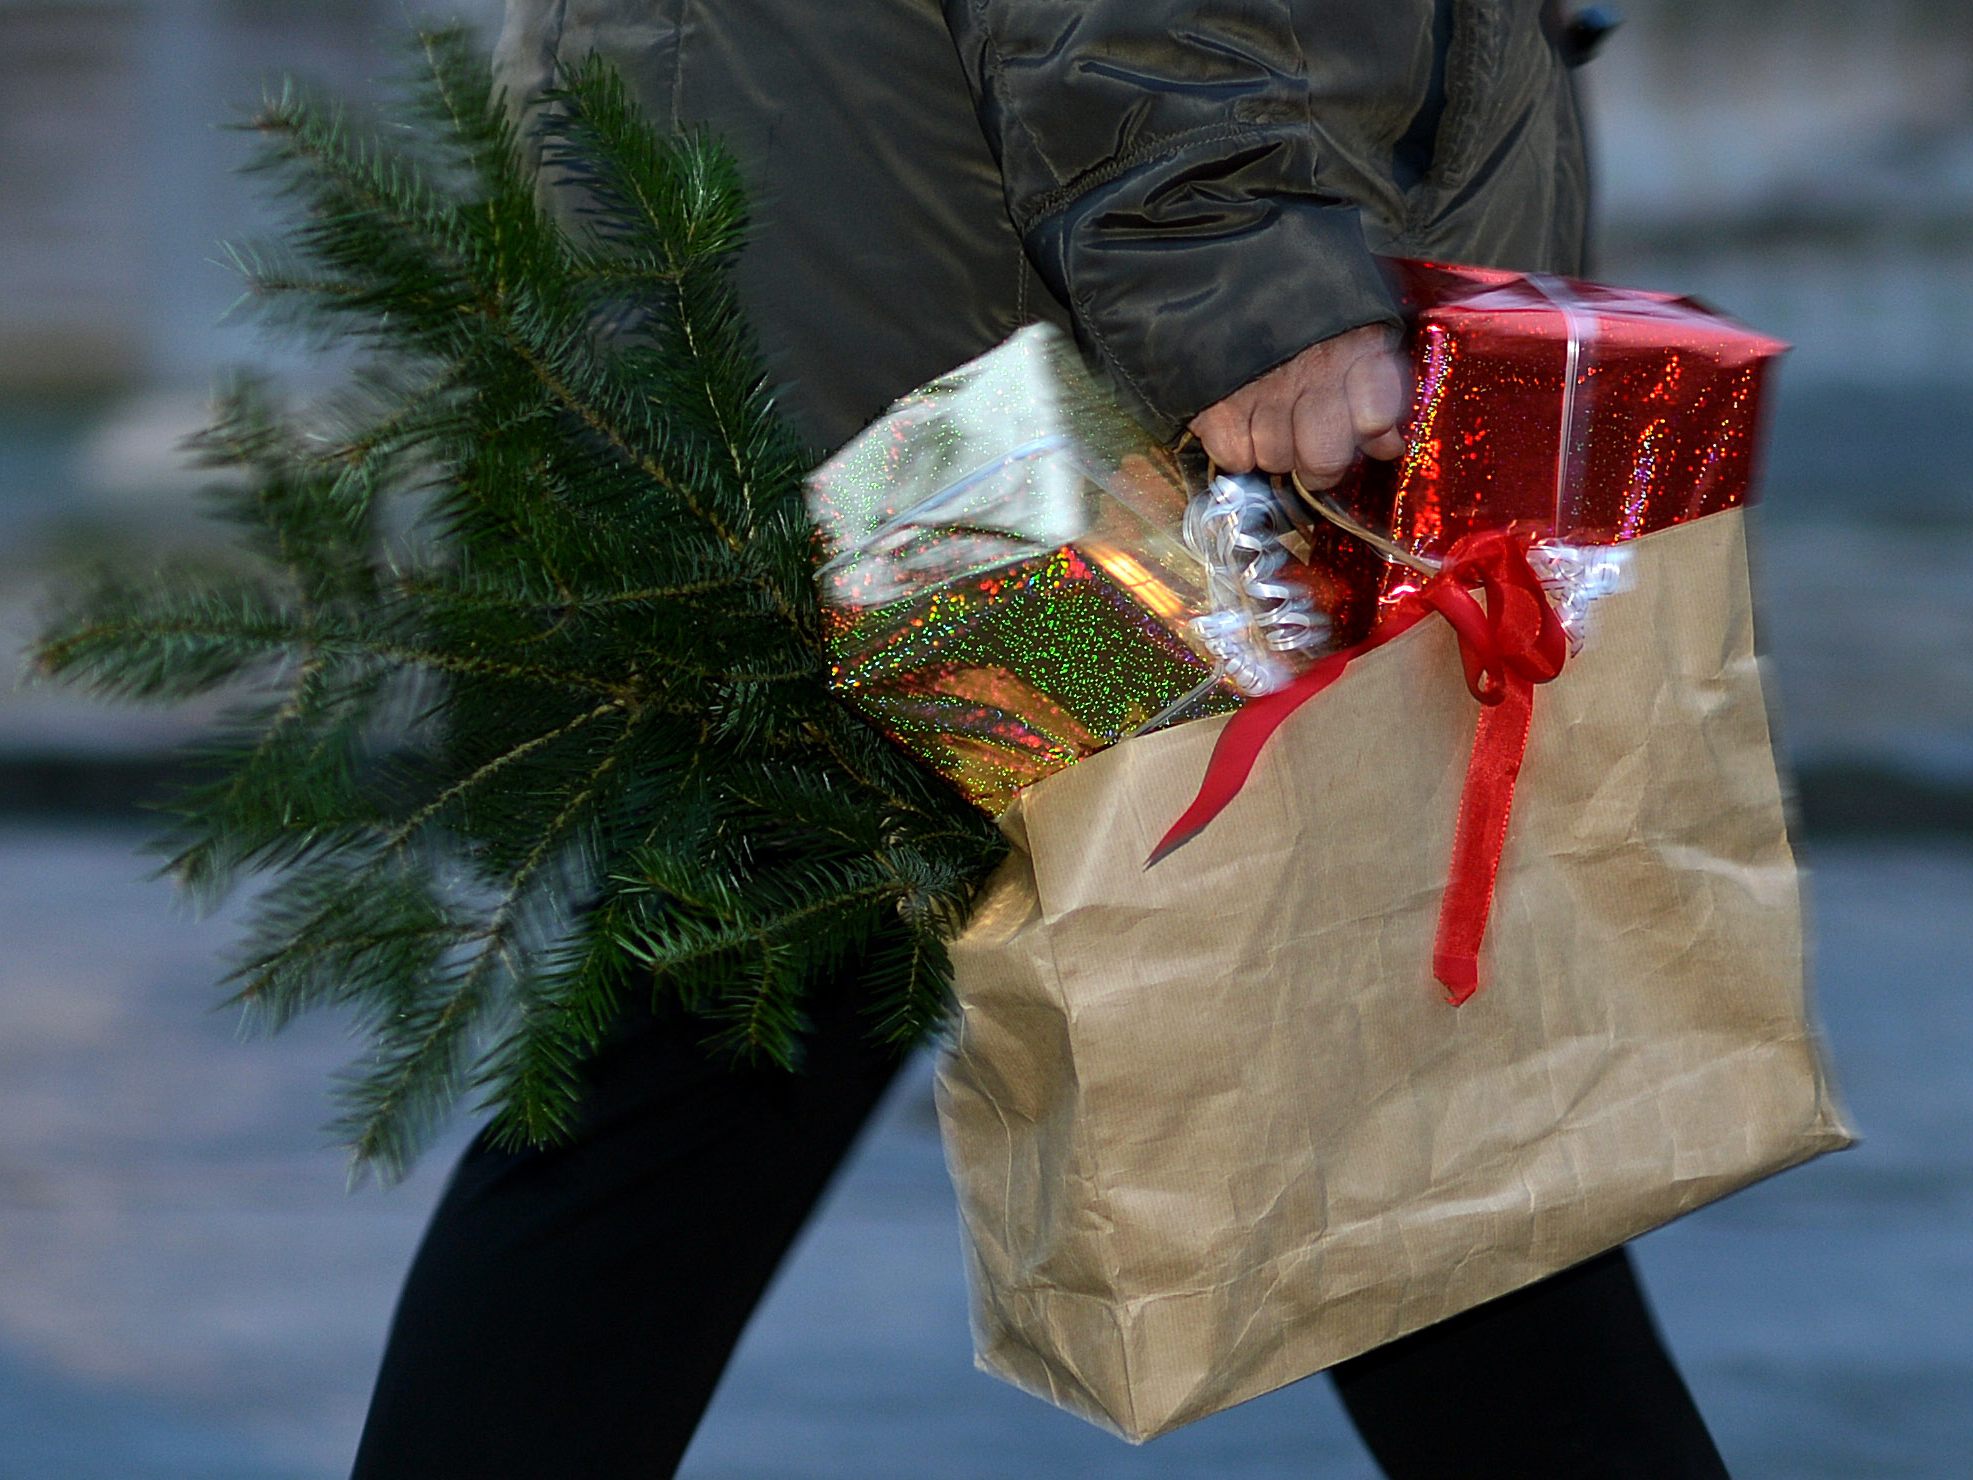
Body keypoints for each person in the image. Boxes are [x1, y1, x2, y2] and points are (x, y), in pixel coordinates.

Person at [351, 3, 1731, 1475]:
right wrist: (1250, 278)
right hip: (1004, 392)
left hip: (913, 324)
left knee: (720, 1075)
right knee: (1351, 1075)